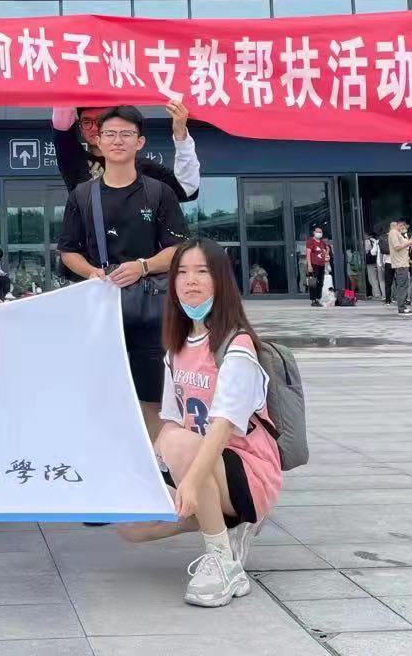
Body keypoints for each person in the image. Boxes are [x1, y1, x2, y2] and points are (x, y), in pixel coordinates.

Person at [117, 238, 281, 608]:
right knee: (130, 524)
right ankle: (229, 525)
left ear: (221, 281)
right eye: (182, 273)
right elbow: (171, 422)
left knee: (178, 444)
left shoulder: (236, 346)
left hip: (248, 470)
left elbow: (221, 429)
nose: (190, 280)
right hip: (202, 463)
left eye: (202, 272)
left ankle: (221, 559)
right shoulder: (177, 348)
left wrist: (188, 483)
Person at [59, 106, 189, 438]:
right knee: (99, 395)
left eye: (126, 134)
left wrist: (143, 266)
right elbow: (68, 251)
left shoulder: (159, 192)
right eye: (110, 134)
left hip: (151, 313)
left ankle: (158, 462)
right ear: (98, 141)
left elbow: (178, 249)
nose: (118, 141)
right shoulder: (83, 195)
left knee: (153, 399)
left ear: (139, 142)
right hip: (101, 312)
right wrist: (92, 272)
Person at [52, 101, 200, 202]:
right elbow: (61, 123)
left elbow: (186, 190)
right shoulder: (76, 162)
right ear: (80, 127)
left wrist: (180, 134)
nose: (94, 127)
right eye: (86, 122)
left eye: (100, 121)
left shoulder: (142, 167)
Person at [387, 220, 412, 315]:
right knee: (402, 285)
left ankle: (402, 307)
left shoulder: (396, 233)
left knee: (403, 285)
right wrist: (409, 242)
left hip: (402, 263)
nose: (403, 228)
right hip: (400, 264)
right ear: (400, 225)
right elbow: (397, 247)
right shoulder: (393, 233)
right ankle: (401, 307)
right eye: (403, 226)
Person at [303, 225, 331, 307]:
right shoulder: (310, 241)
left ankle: (318, 298)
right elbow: (308, 253)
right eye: (317, 232)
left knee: (320, 282)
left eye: (320, 232)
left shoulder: (322, 242)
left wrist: (327, 254)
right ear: (314, 233)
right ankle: (313, 300)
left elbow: (327, 249)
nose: (319, 233)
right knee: (313, 283)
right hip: (313, 264)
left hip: (321, 264)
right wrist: (309, 265)